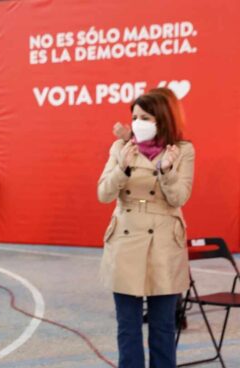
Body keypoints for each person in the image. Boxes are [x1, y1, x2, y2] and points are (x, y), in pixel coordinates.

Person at [97, 91, 194, 368]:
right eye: (135, 117)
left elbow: (179, 198)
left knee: (163, 327)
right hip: (125, 239)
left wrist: (166, 171)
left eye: (145, 117)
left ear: (161, 119)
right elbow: (103, 193)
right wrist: (122, 169)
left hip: (164, 242)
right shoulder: (121, 148)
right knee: (127, 327)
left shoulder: (182, 150)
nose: (138, 123)